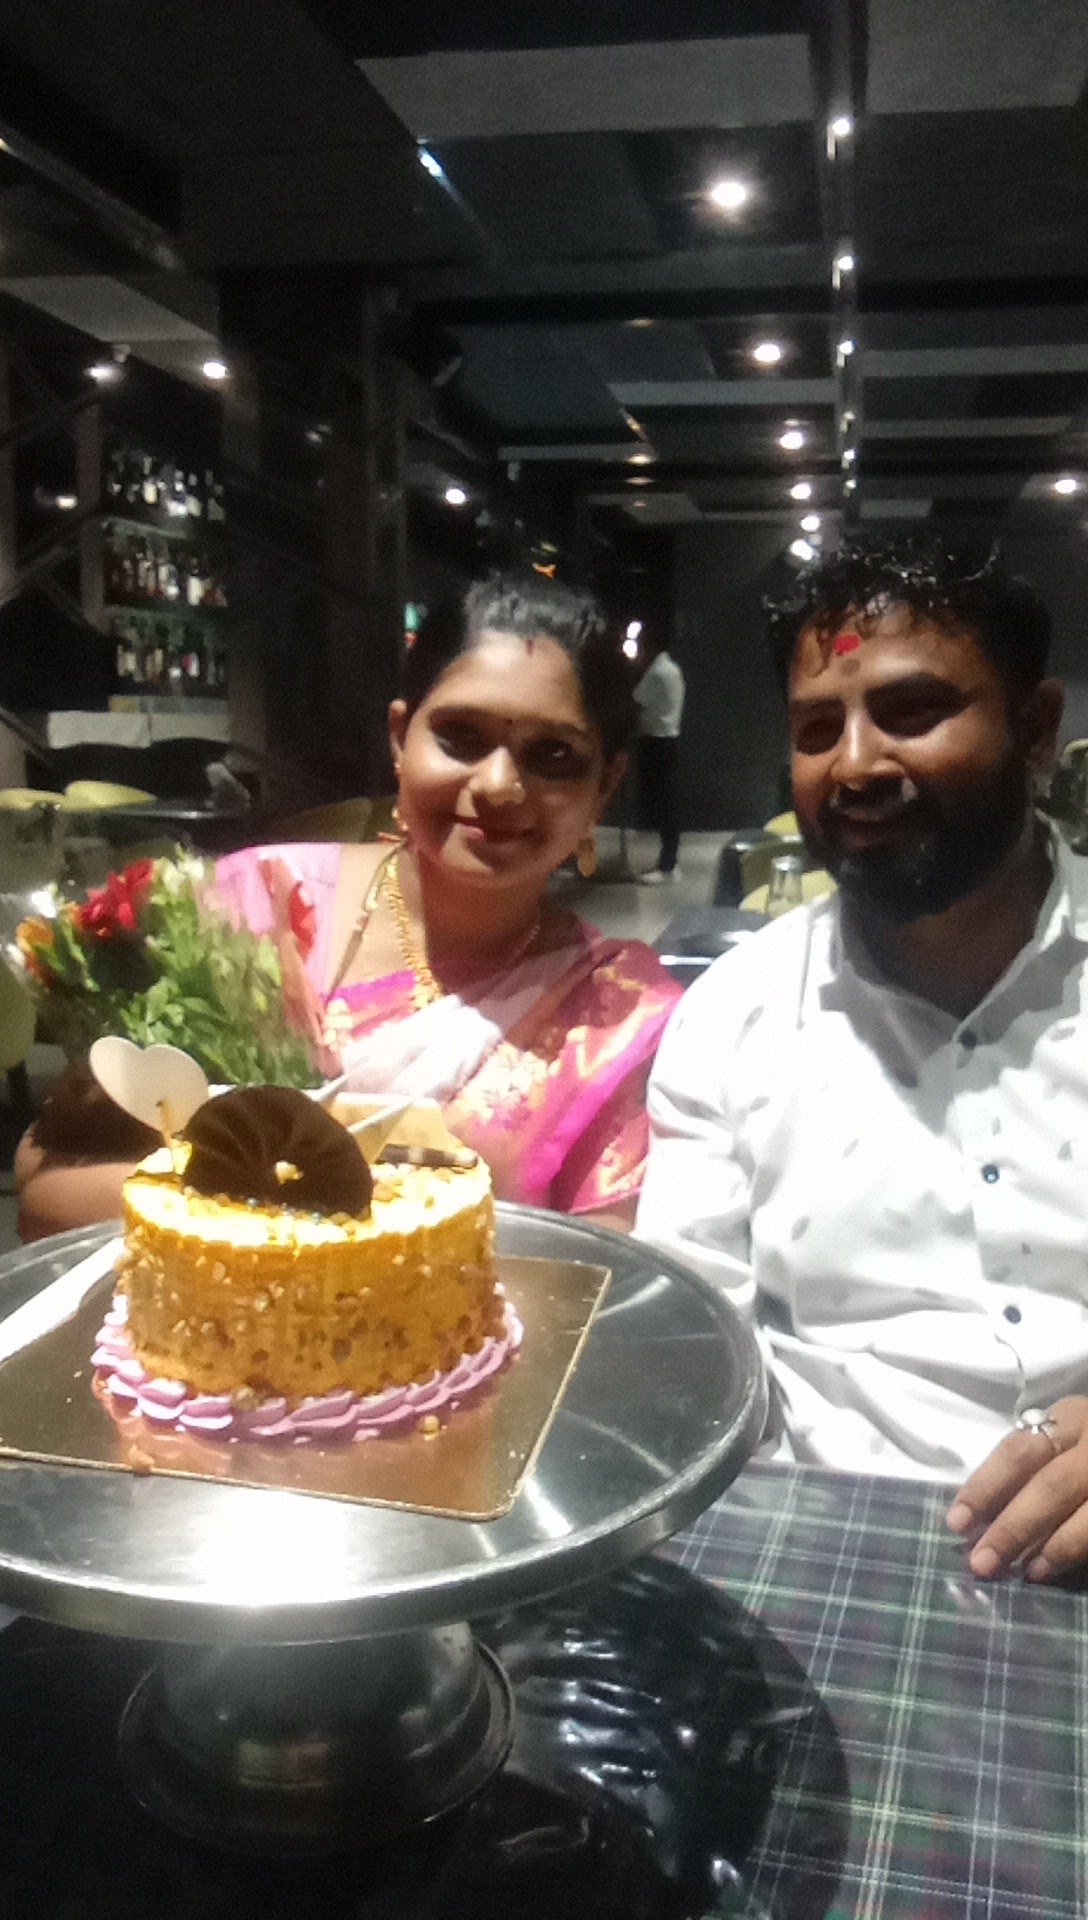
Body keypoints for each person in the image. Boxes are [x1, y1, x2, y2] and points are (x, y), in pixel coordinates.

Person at [637, 538, 1088, 1583]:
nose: (853, 765)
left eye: (911, 712)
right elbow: (694, 1354)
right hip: (830, 1546)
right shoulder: (731, 1018)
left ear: (1033, 729)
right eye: (814, 729)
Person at [17, 574, 681, 1239]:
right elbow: (48, 1187)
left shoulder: (615, 1011)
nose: (500, 785)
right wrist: (277, 1218)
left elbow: (604, 1262)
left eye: (553, 755)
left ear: (606, 784)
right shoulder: (249, 909)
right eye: (461, 736)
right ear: (399, 738)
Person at [633, 637, 685, 883]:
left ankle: (667, 866)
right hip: (669, 739)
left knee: (665, 804)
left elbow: (637, 699)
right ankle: (669, 863)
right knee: (668, 802)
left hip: (656, 742)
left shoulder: (657, 672)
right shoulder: (673, 669)